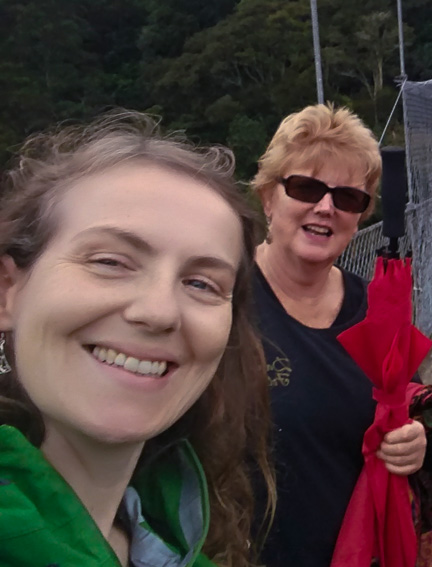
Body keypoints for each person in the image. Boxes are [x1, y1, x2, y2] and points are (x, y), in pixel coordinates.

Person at [0, 111, 275, 566]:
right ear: (9, 291)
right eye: (110, 261)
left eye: (202, 284)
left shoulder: (184, 541)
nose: (159, 311)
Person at [250, 103, 432, 566]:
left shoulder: (378, 310)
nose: (326, 207)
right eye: (306, 187)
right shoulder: (222, 302)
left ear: (361, 215)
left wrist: (413, 442)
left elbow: (398, 408)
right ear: (268, 196)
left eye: (348, 198)